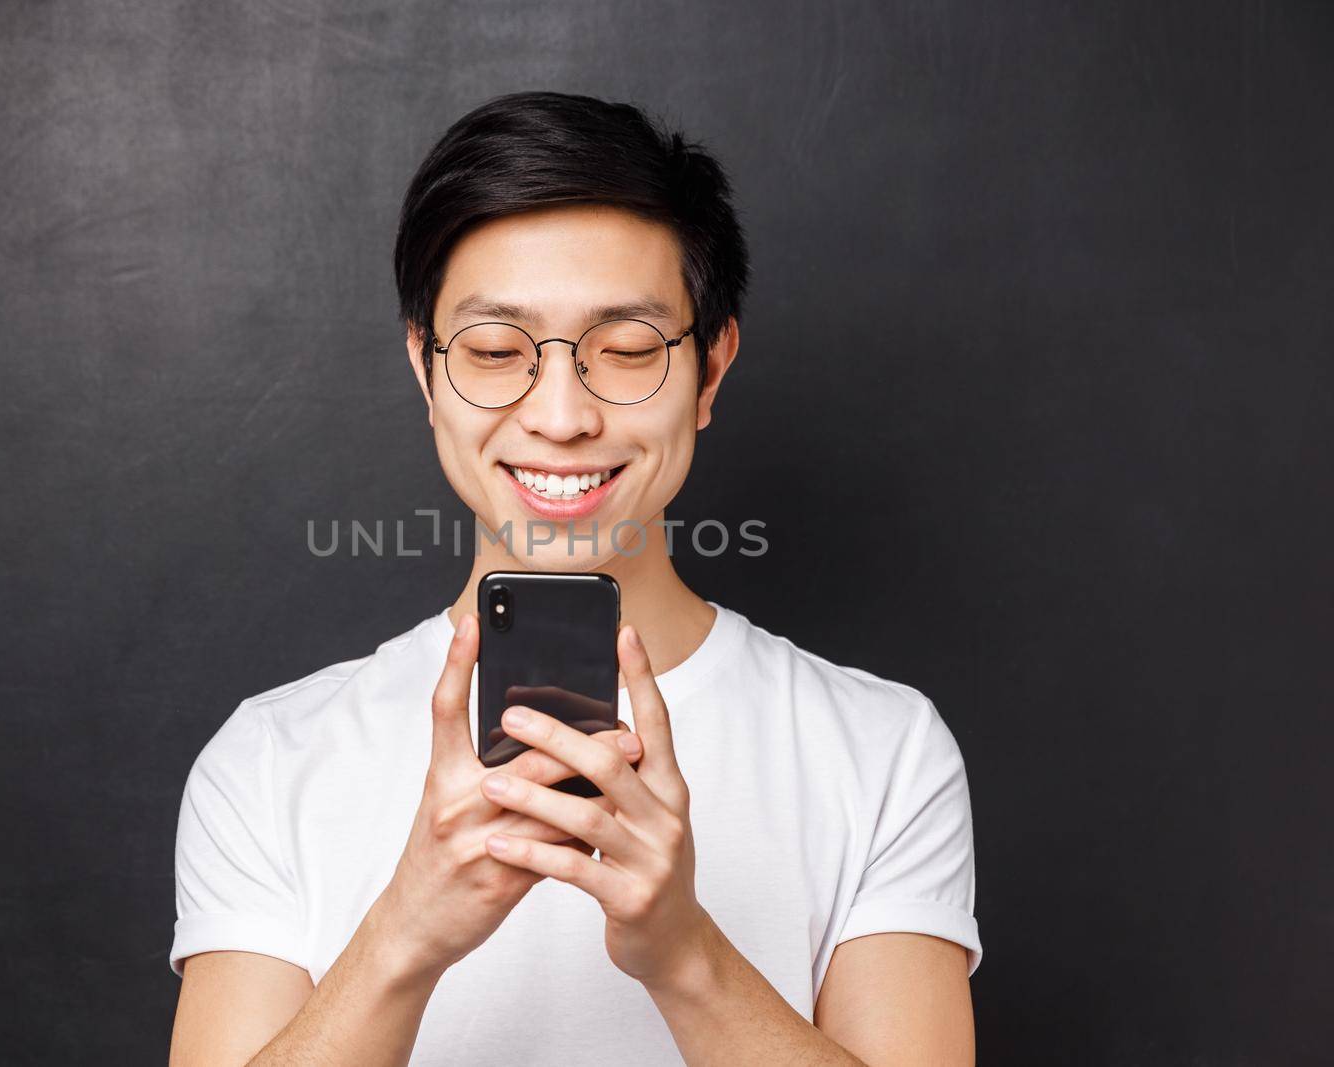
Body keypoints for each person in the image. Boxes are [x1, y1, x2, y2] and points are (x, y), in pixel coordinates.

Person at [168, 91, 981, 1066]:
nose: (560, 414)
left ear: (710, 368)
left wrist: (683, 952)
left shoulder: (880, 748)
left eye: (627, 349)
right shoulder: (270, 757)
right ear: (426, 371)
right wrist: (402, 935)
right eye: (496, 351)